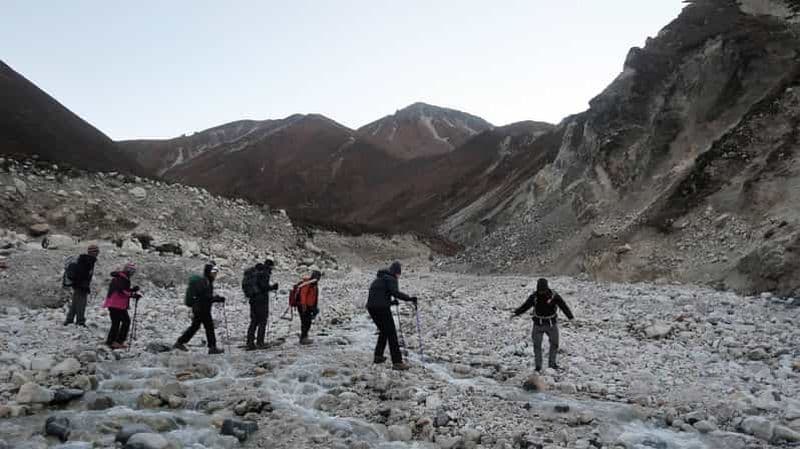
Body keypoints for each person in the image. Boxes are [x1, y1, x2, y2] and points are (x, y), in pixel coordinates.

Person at [511, 278, 574, 372]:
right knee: (537, 346)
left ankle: (552, 364)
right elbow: (526, 306)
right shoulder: (534, 296)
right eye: (540, 290)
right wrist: (516, 313)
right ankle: (538, 366)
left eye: (543, 290)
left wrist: (570, 317)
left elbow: (563, 305)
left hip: (551, 324)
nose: (541, 292)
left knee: (554, 344)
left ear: (546, 288)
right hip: (538, 325)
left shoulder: (554, 295)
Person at [366, 261, 418, 371]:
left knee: (384, 331)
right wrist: (409, 298)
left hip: (371, 308)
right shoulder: (391, 278)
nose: (399, 276)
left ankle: (378, 356)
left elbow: (379, 296)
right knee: (392, 333)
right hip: (382, 308)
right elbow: (395, 293)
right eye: (399, 273)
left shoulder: (379, 279)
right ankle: (397, 362)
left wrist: (391, 303)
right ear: (396, 272)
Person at [174, 263, 226, 354]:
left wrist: (214, 299)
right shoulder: (205, 282)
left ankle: (180, 342)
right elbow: (205, 297)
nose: (215, 274)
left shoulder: (206, 281)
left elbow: (205, 296)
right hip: (202, 309)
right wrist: (216, 299)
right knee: (208, 327)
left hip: (200, 308)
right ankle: (212, 347)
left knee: (195, 326)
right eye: (213, 272)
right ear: (208, 272)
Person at [102, 263, 141, 349]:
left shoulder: (120, 277)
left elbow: (122, 289)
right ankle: (117, 341)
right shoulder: (122, 278)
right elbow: (122, 291)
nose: (132, 273)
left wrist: (132, 290)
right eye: (132, 271)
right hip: (117, 304)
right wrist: (133, 294)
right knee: (125, 322)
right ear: (128, 270)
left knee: (116, 323)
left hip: (113, 303)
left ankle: (111, 341)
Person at [244, 258, 279, 351]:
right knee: (263, 321)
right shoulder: (265, 273)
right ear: (270, 266)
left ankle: (250, 342)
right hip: (261, 300)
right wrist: (272, 287)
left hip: (253, 299)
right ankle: (260, 342)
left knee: (254, 321)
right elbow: (263, 287)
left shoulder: (255, 272)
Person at [64, 244, 99, 326]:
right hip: (82, 285)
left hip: (78, 285)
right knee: (81, 303)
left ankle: (69, 319)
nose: (97, 253)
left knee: (75, 302)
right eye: (96, 251)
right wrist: (83, 284)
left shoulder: (84, 259)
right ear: (92, 252)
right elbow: (84, 274)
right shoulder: (88, 260)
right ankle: (80, 321)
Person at [297, 270, 322, 345]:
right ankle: (303, 338)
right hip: (304, 306)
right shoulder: (308, 284)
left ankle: (304, 336)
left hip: (309, 306)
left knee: (307, 322)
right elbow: (303, 295)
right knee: (305, 322)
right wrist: (304, 306)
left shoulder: (313, 284)